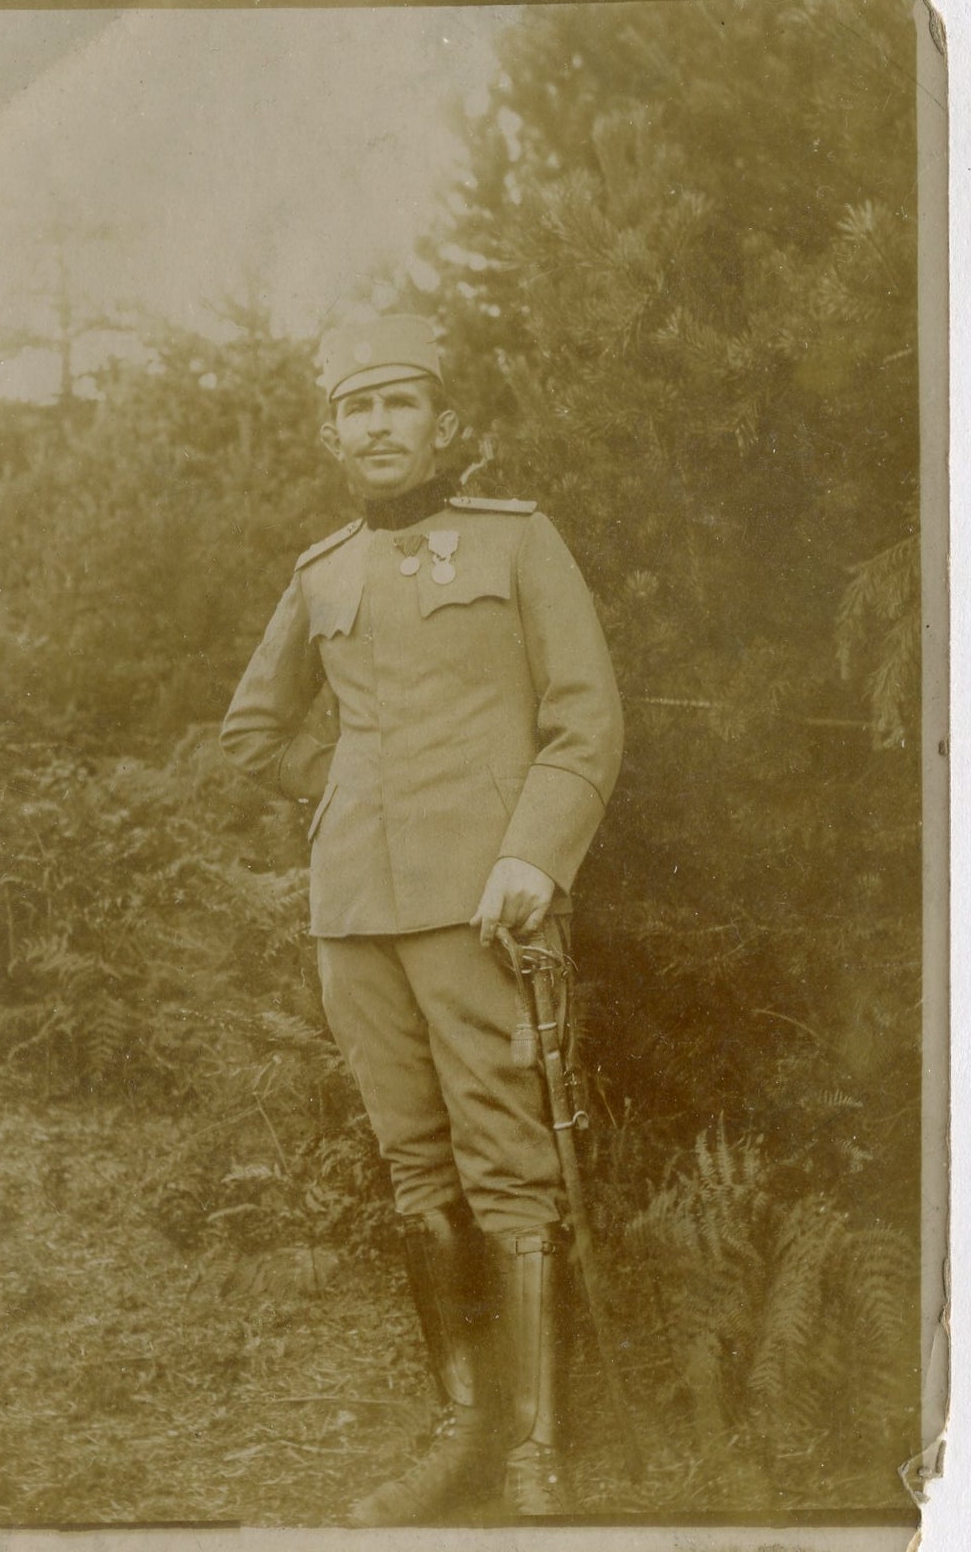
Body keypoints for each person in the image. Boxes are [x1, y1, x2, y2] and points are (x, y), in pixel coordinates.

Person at [220, 313, 624, 1524]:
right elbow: (251, 734)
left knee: (509, 1159)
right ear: (331, 432)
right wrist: (341, 792)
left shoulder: (517, 542)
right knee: (413, 1168)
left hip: (482, 907)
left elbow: (584, 720)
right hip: (352, 915)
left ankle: (537, 1456)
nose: (380, 425)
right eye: (358, 407)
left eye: (401, 403)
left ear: (441, 424)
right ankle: (462, 1433)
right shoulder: (321, 571)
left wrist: (531, 859)